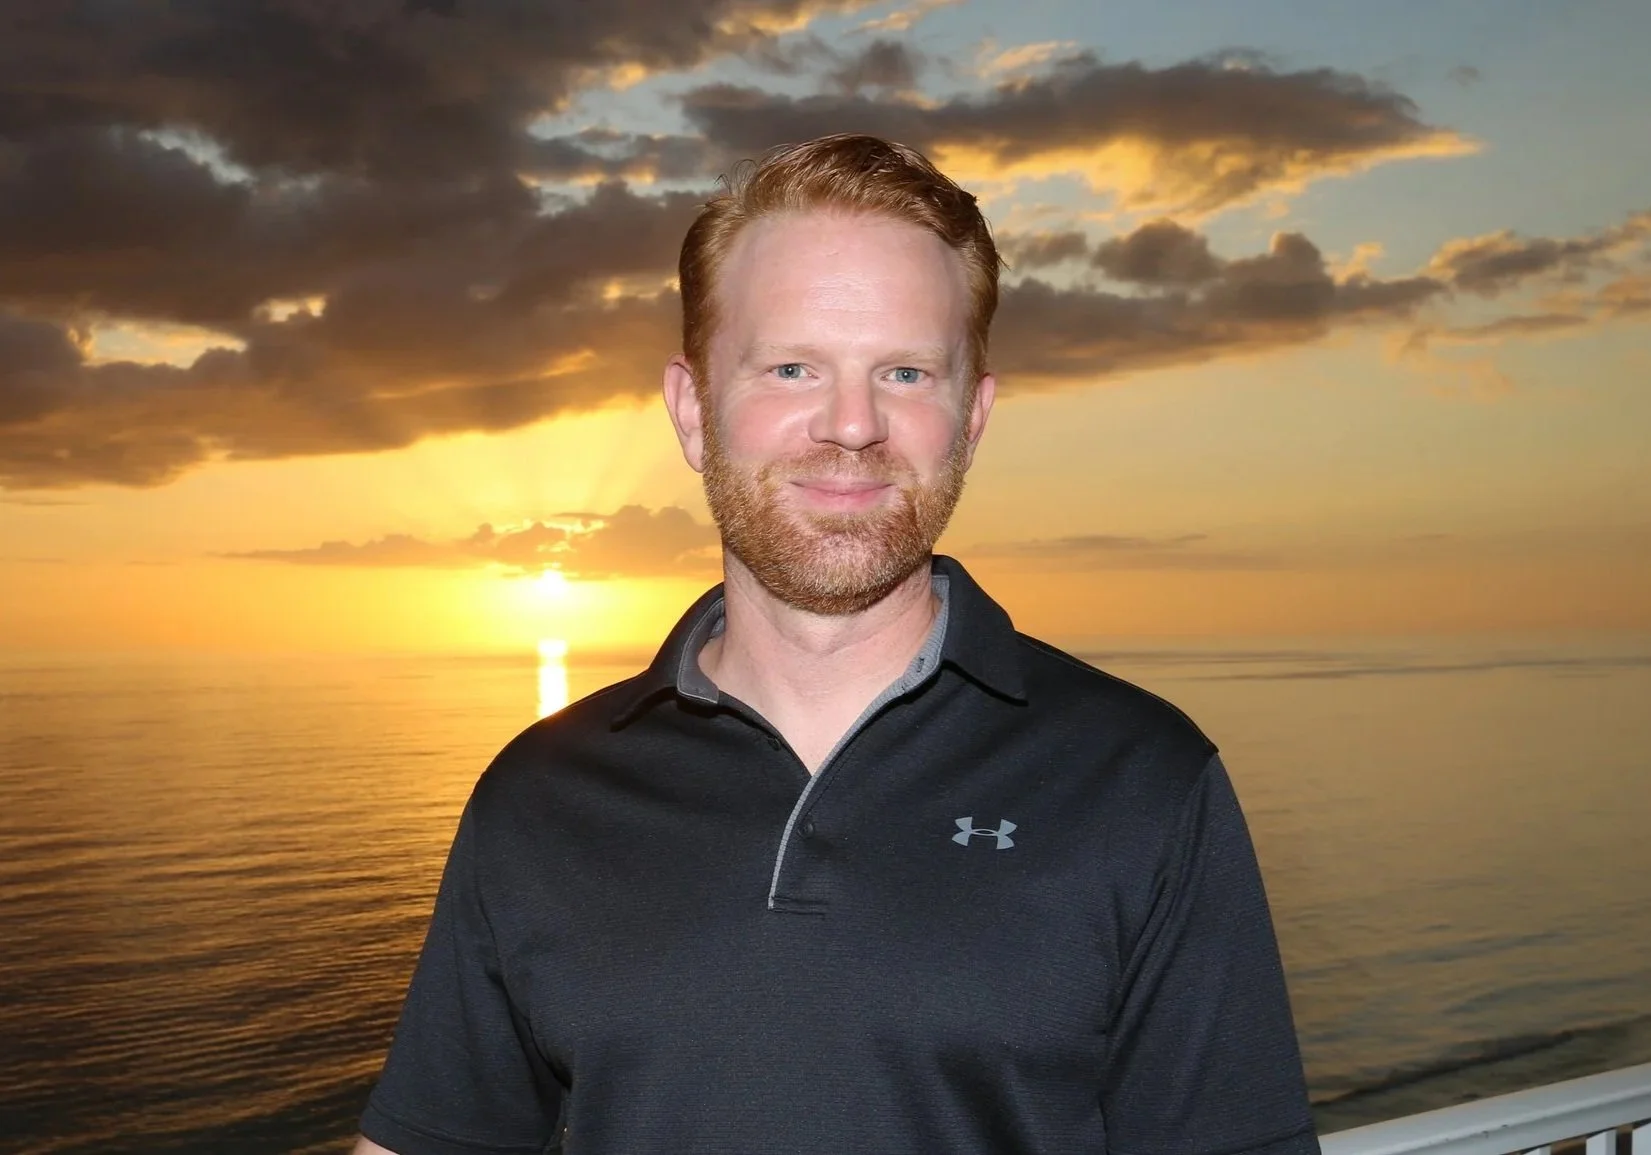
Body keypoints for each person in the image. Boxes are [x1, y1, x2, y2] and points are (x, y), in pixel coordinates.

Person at [354, 133, 1320, 1155]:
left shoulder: (1138, 779)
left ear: (971, 416)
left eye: (904, 371)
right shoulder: (542, 795)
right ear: (692, 410)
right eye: (790, 368)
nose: (852, 425)